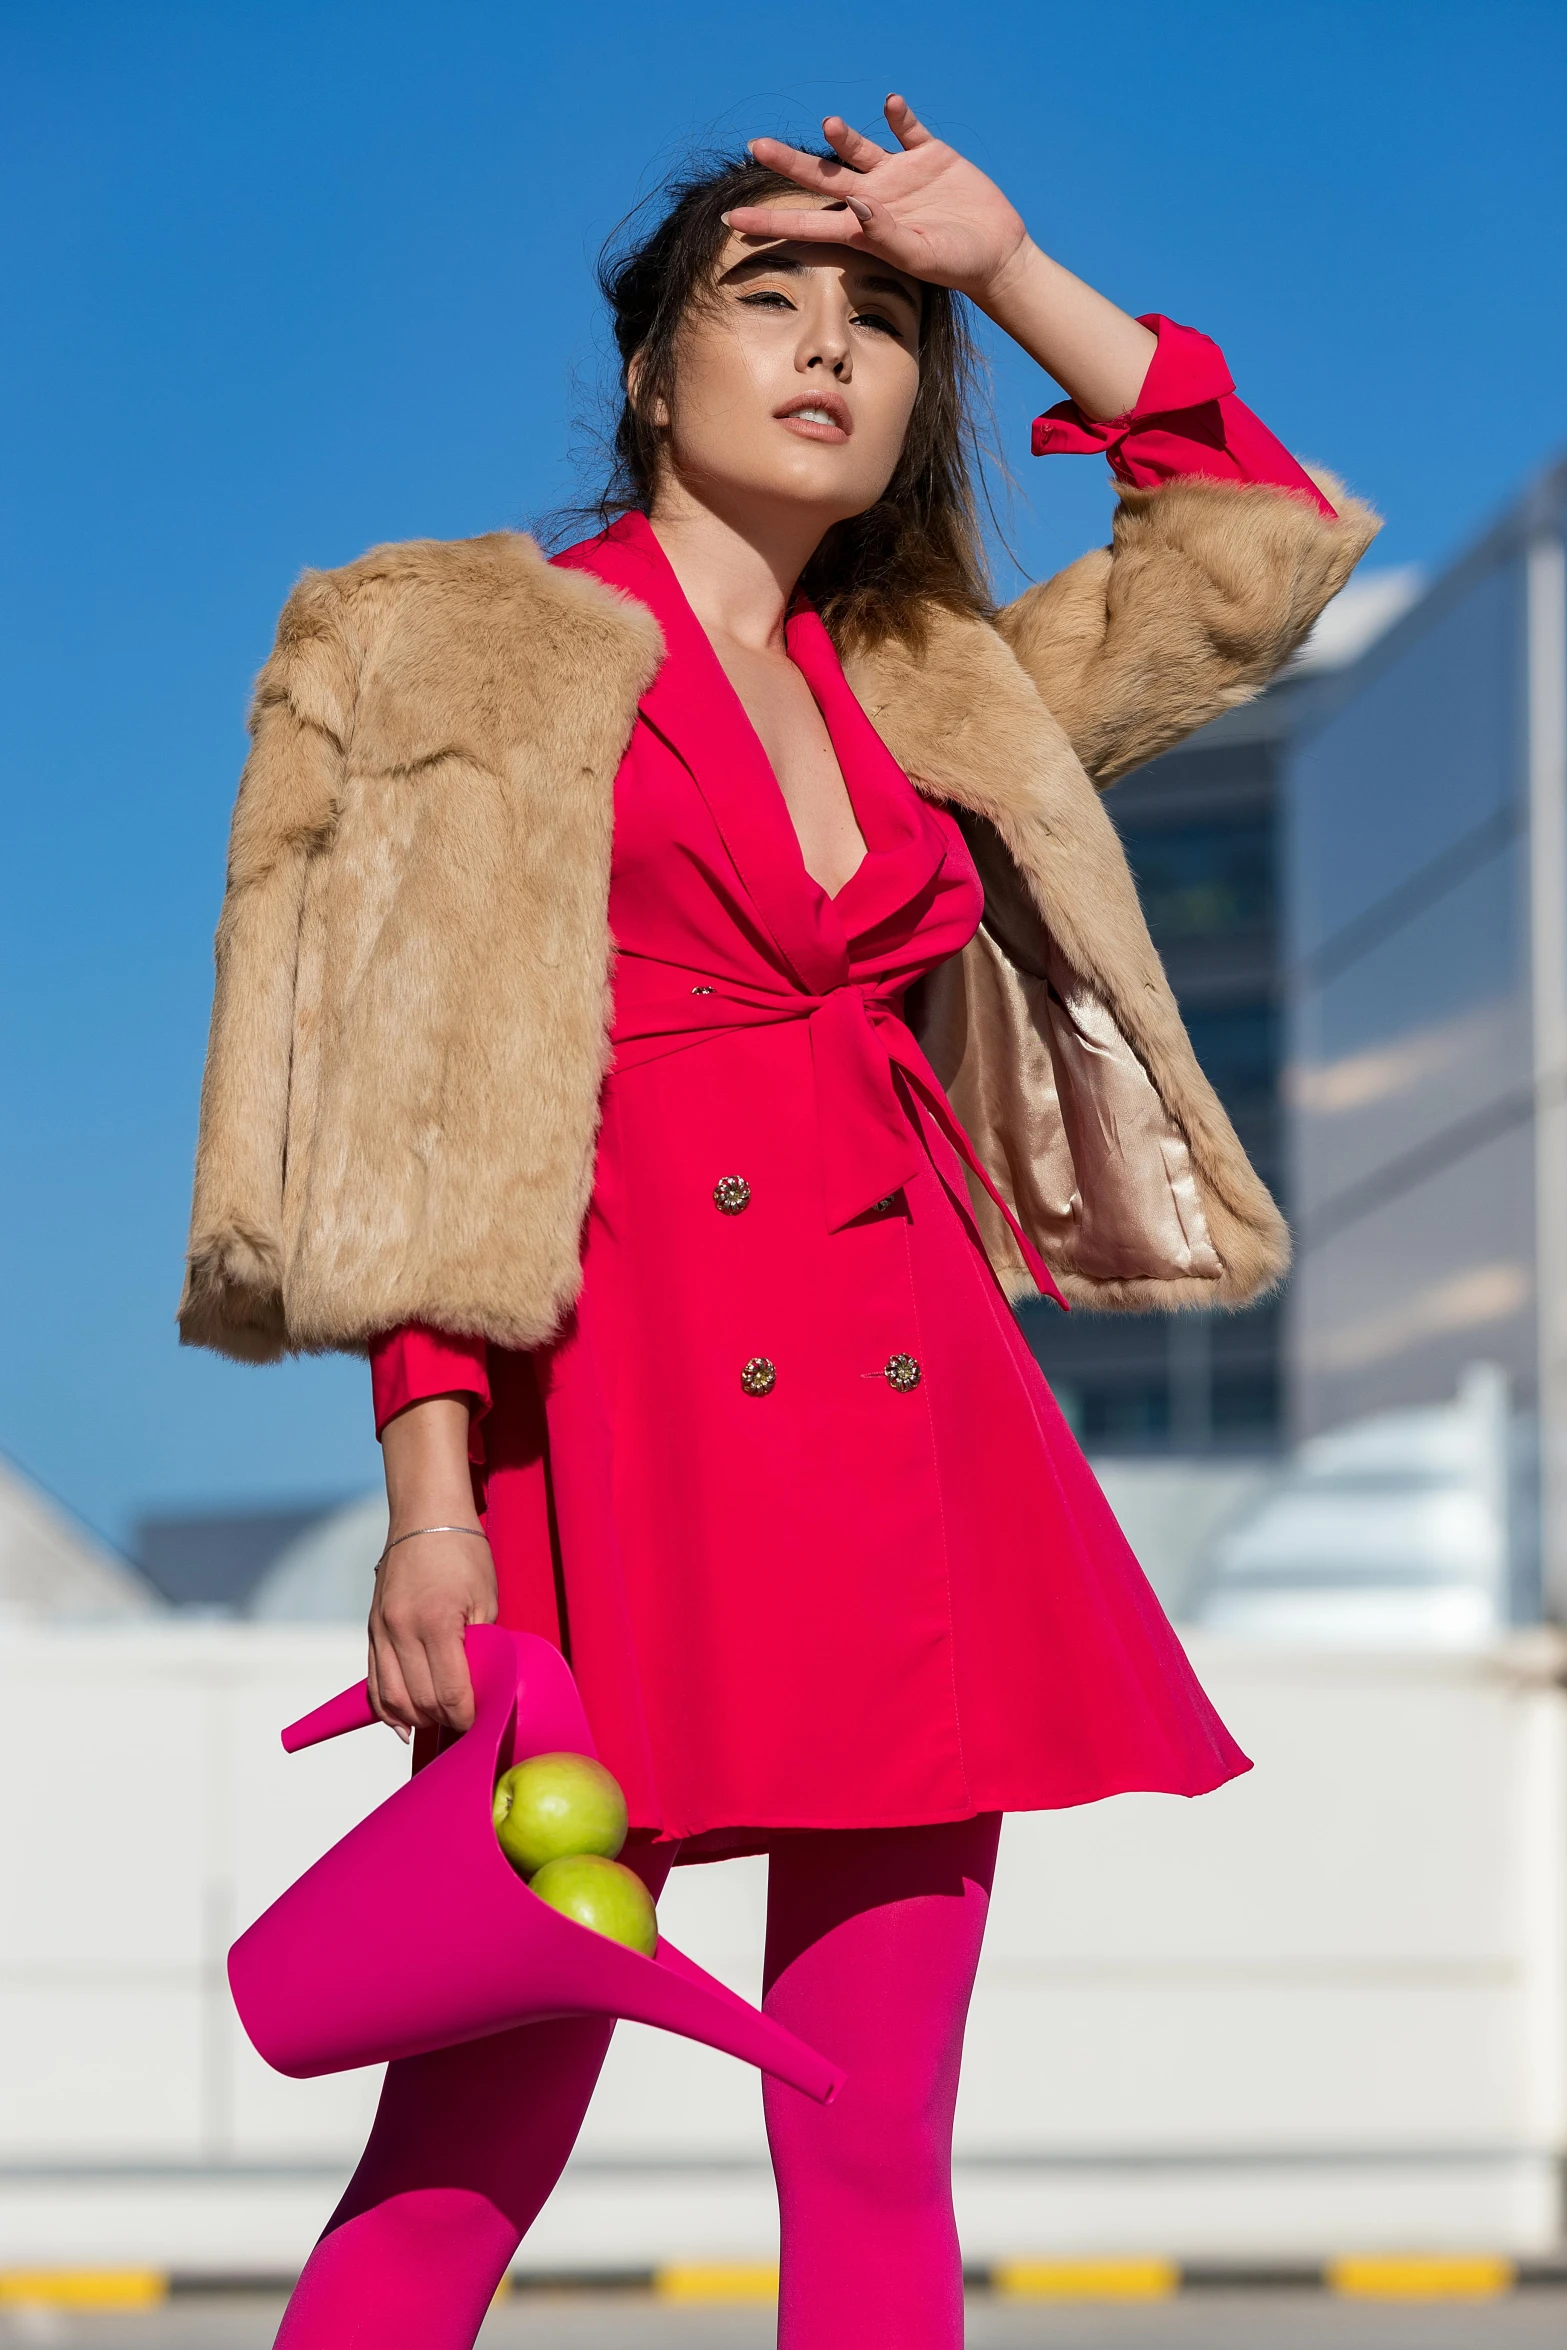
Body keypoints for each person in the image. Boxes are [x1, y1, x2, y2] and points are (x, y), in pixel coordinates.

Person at [181, 96, 1376, 2350]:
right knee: (474, 2126)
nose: (834, 347)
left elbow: (1256, 539)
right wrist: (430, 1508)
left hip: (917, 1419)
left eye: (881, 325)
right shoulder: (458, 645)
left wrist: (1007, 265)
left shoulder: (947, 683)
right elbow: (397, 1105)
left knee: (872, 2135)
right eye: (768, 298)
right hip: (608, 1413)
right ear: (650, 371)